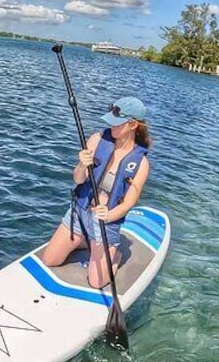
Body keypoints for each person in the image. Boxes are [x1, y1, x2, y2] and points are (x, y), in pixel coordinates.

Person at [41, 96, 152, 288]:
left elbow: (128, 203)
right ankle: (86, 240)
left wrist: (108, 215)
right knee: (50, 260)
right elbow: (77, 179)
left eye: (118, 123)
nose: (111, 126)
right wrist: (82, 166)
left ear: (133, 124)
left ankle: (114, 253)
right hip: (80, 212)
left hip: (105, 222)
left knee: (97, 282)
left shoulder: (141, 164)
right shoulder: (96, 139)